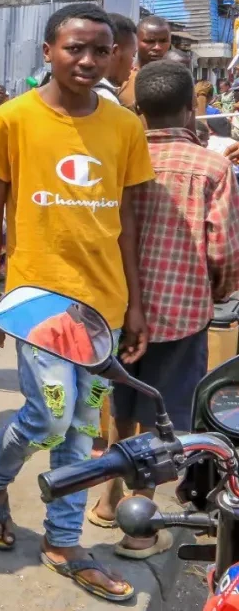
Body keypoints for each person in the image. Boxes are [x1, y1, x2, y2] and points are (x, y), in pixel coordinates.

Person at [0, 2, 153, 603]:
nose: (88, 60)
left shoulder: (125, 125)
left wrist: (137, 304)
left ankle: (64, 541)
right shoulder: (12, 119)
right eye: (75, 48)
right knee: (50, 415)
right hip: (35, 299)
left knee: (81, 430)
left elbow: (125, 217)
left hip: (106, 303)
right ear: (47, 51)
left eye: (100, 50)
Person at [88, 61, 239, 558]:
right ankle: (140, 528)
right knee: (165, 419)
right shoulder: (213, 168)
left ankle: (109, 502)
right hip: (180, 313)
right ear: (191, 108)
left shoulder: (116, 156)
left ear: (138, 109)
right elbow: (223, 251)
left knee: (123, 404)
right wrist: (216, 293)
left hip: (115, 306)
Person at [117, 15, 172, 110]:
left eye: (163, 41)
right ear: (136, 42)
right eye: (150, 41)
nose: (157, 47)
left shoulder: (178, 80)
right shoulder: (122, 79)